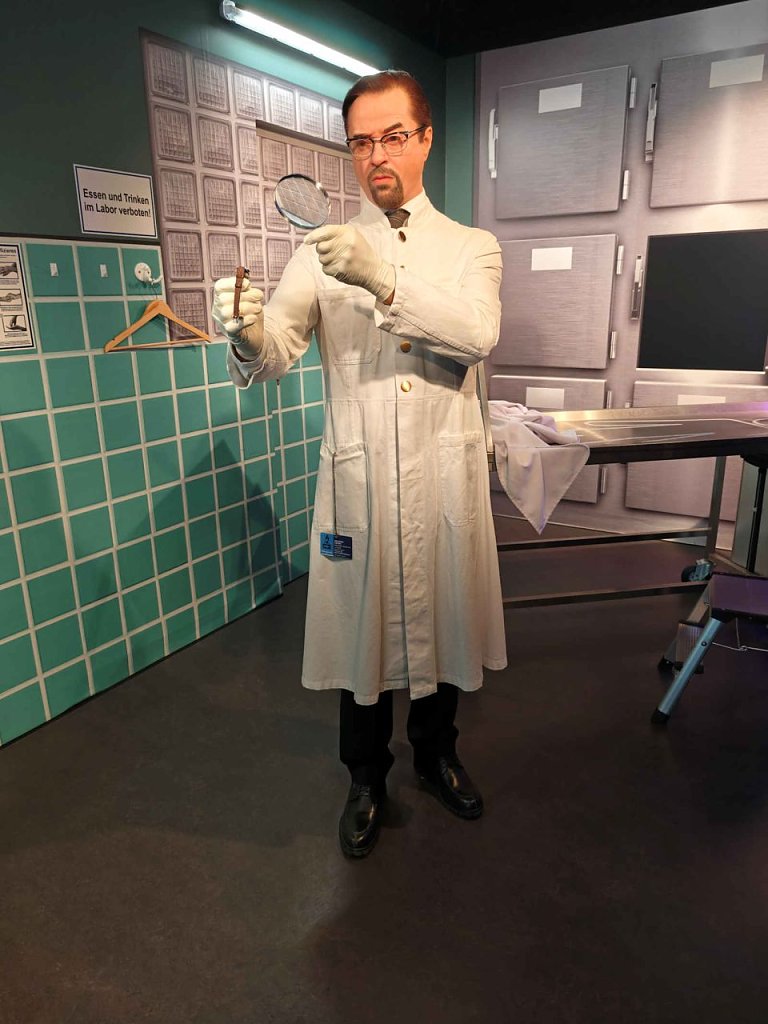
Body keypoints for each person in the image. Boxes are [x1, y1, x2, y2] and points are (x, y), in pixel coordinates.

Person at [212, 69, 507, 858]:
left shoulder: (472, 248)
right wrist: (244, 331)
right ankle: (365, 777)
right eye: (361, 141)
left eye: (393, 136)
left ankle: (437, 754)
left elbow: (477, 334)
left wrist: (379, 275)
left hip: (441, 475)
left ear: (425, 139)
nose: (377, 155)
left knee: (444, 612)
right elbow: (274, 354)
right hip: (360, 480)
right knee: (359, 634)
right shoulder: (318, 254)